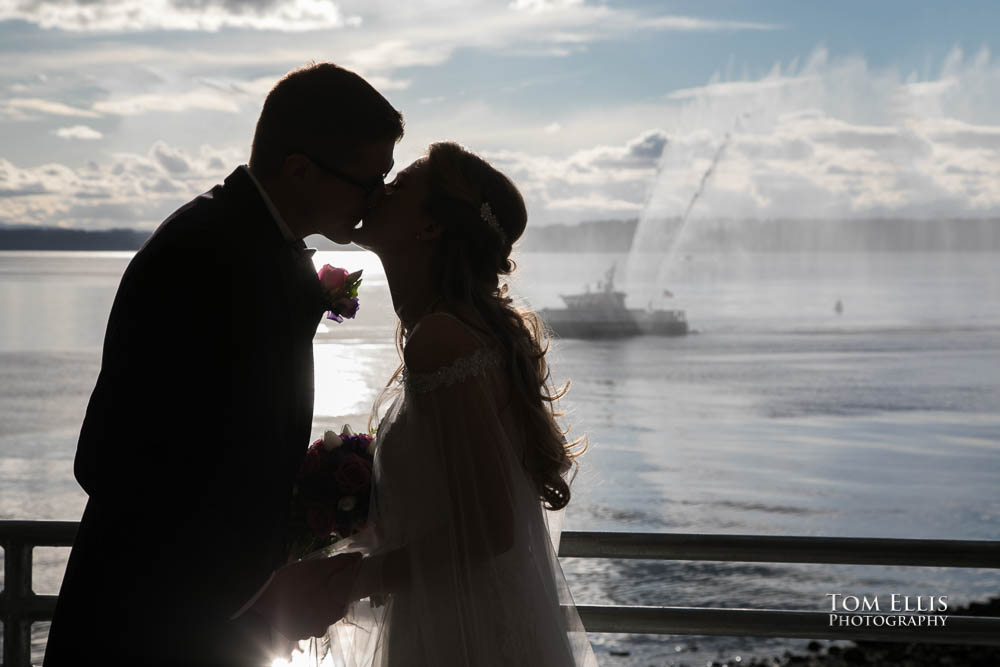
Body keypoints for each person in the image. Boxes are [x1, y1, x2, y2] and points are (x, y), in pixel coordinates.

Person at [43, 62, 401, 667]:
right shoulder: (204, 254)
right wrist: (248, 602)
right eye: (370, 181)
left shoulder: (255, 245)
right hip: (152, 626)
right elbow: (111, 457)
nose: (379, 199)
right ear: (299, 170)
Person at [242, 142, 599, 666]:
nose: (380, 190)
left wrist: (348, 579)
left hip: (458, 634)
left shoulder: (441, 341)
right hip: (459, 615)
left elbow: (492, 530)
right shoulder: (461, 333)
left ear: (430, 228)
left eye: (401, 185)